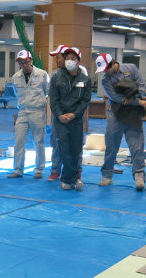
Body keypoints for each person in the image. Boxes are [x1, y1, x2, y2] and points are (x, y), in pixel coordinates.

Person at [95, 53, 146, 191]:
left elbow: (142, 85)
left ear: (112, 63)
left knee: (137, 147)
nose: (105, 73)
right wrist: (137, 101)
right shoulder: (105, 80)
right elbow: (116, 97)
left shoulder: (131, 68)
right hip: (116, 112)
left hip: (133, 113)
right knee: (111, 145)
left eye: (106, 69)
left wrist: (133, 98)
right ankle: (107, 175)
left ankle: (139, 176)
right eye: (102, 71)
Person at [48, 47, 91, 191]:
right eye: (67, 58)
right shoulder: (56, 78)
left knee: (76, 148)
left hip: (76, 119)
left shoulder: (85, 79)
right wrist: (59, 115)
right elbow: (53, 100)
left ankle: (66, 179)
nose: (70, 61)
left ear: (78, 61)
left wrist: (74, 114)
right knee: (63, 148)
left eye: (73, 59)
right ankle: (74, 179)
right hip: (60, 119)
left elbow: (85, 101)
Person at [7, 50, 50, 179]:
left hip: (37, 112)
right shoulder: (16, 77)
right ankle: (18, 169)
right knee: (19, 141)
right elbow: (16, 93)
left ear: (31, 60)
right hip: (22, 112)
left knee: (38, 141)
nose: (24, 65)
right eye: (21, 63)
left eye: (25, 62)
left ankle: (39, 169)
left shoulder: (42, 74)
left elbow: (47, 91)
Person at [47, 45, 68, 181]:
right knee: (56, 142)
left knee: (75, 145)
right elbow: (52, 96)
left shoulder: (81, 73)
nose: (56, 60)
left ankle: (75, 171)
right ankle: (55, 170)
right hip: (58, 115)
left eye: (58, 57)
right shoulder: (54, 75)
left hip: (74, 116)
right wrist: (59, 114)